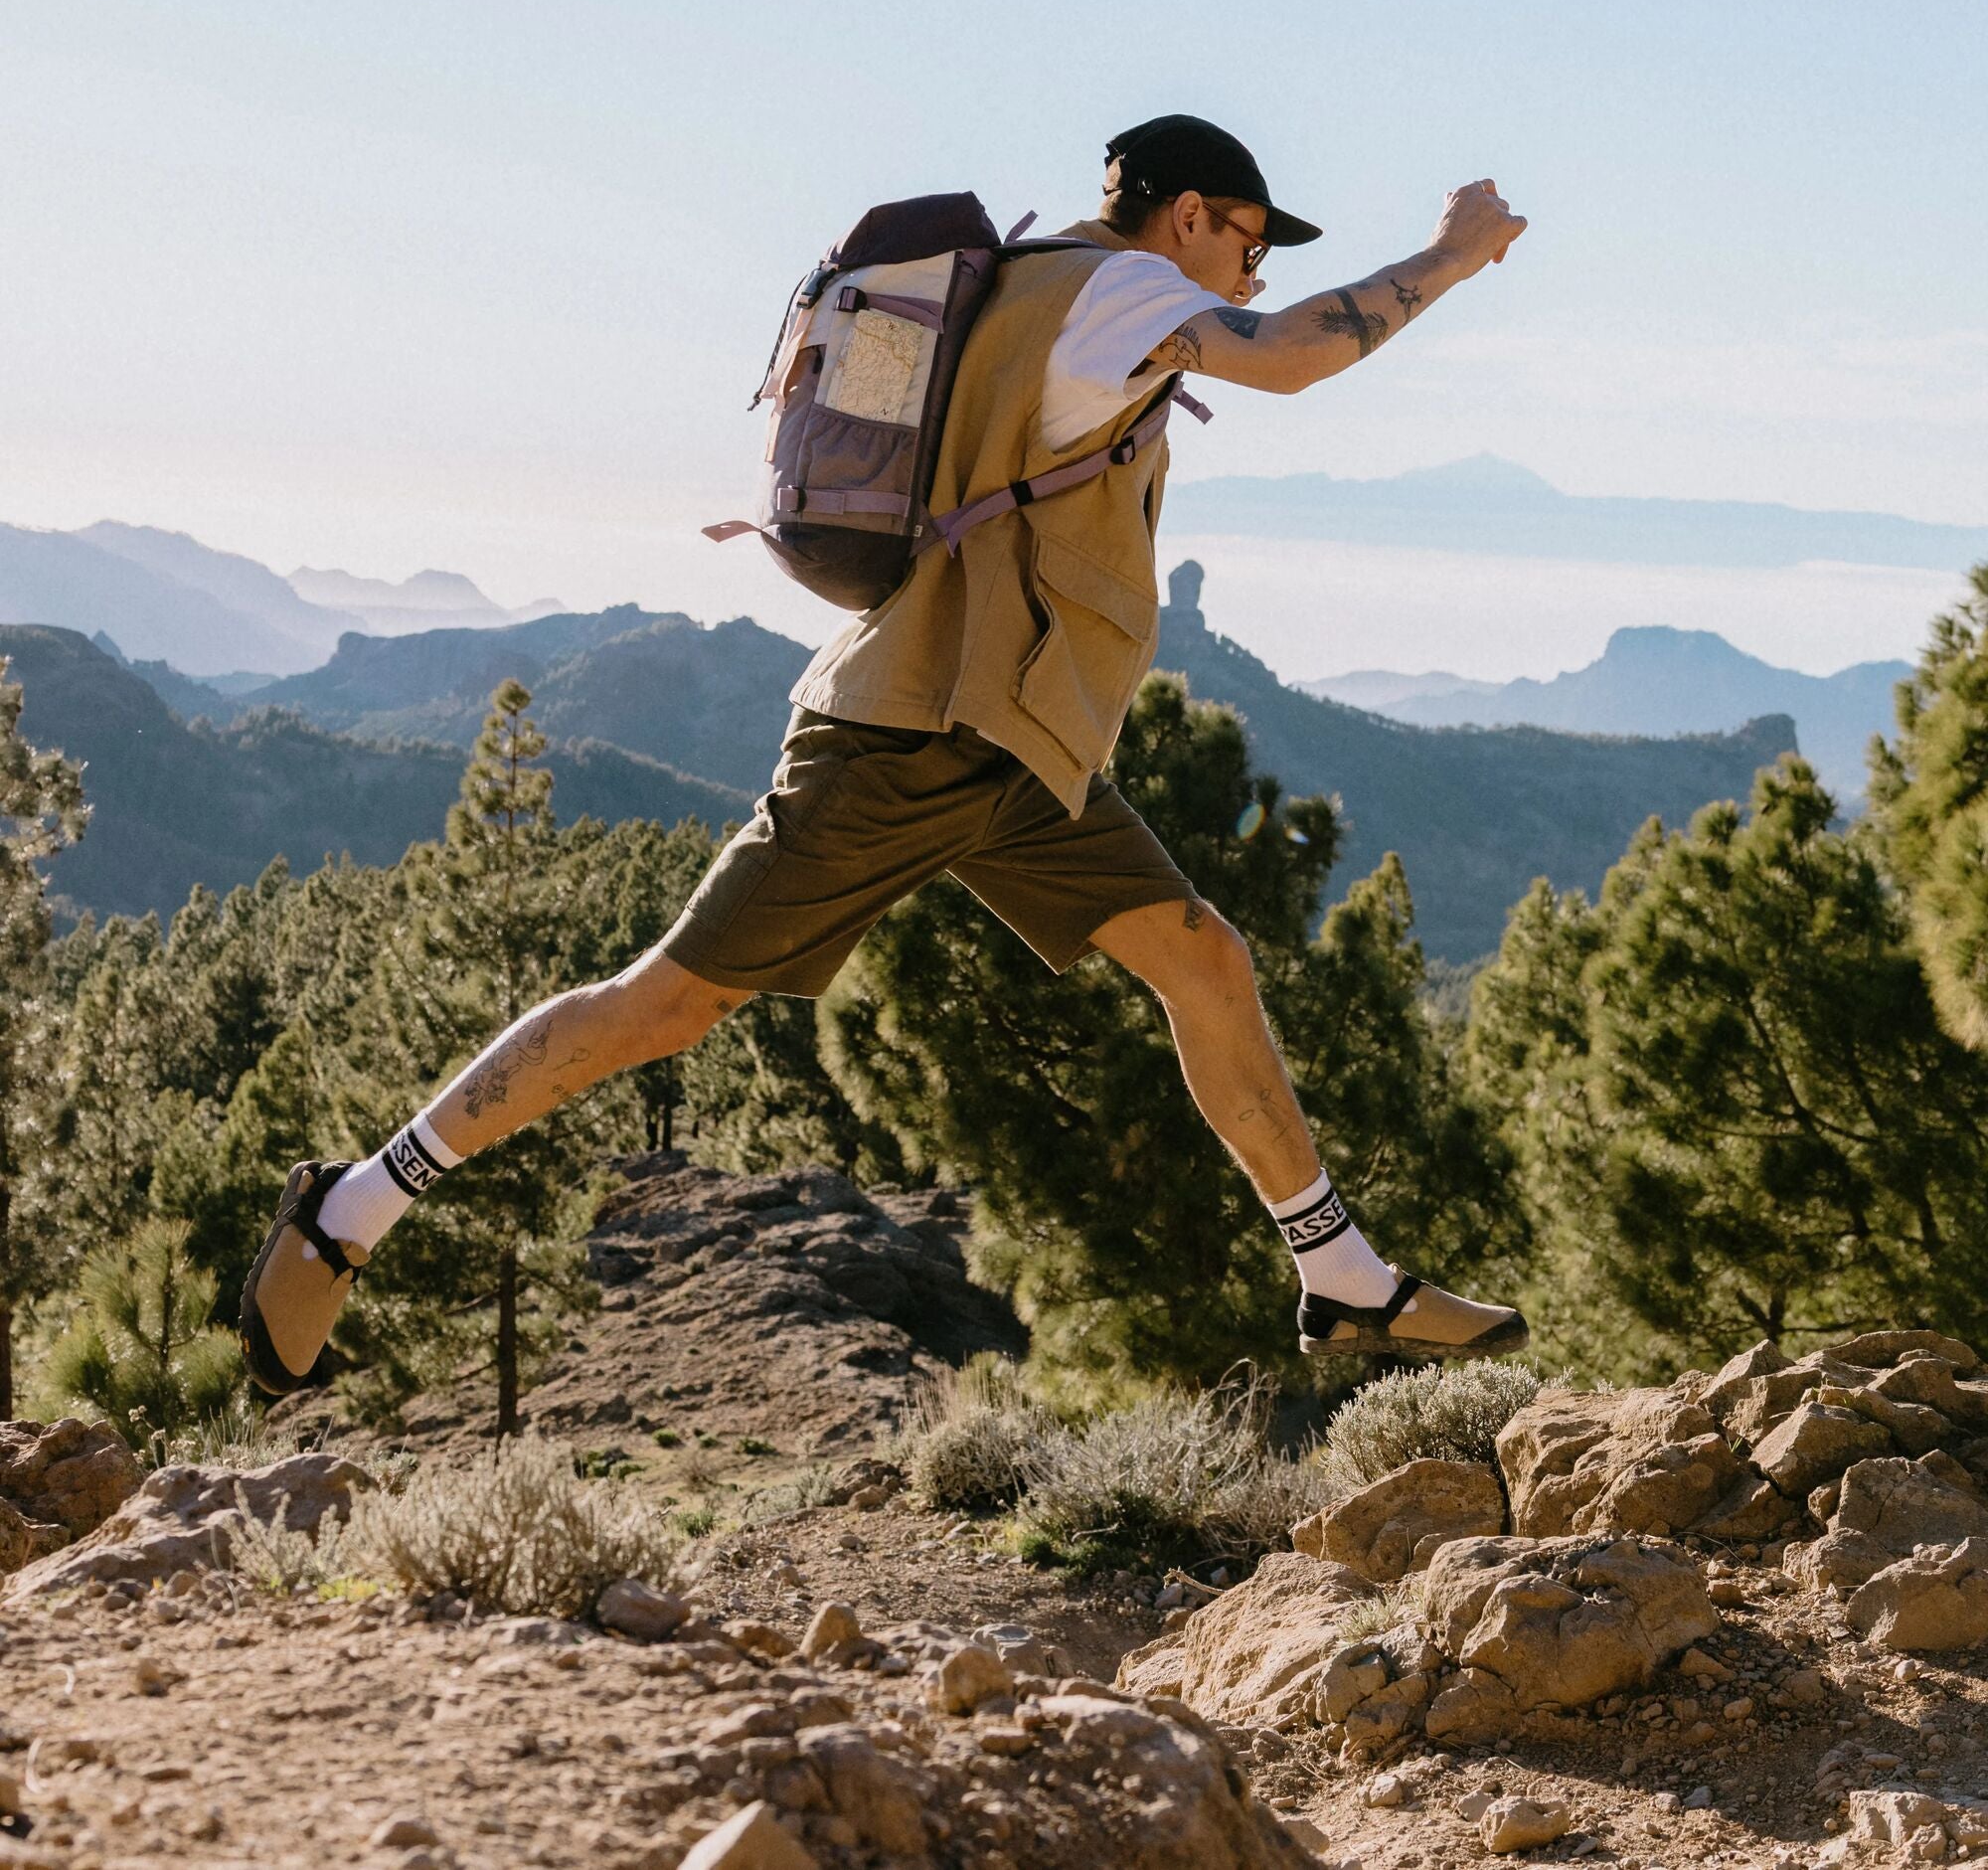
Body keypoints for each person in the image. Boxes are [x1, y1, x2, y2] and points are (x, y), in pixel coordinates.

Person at [241, 112, 1531, 1394]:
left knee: (1204, 961)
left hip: (1015, 748)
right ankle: (347, 1211)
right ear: (1186, 215)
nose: (1257, 274)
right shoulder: (1118, 288)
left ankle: (1340, 1276)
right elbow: (1295, 356)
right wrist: (1451, 251)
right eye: (1249, 241)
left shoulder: (1055, 291)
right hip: (905, 737)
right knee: (667, 1004)